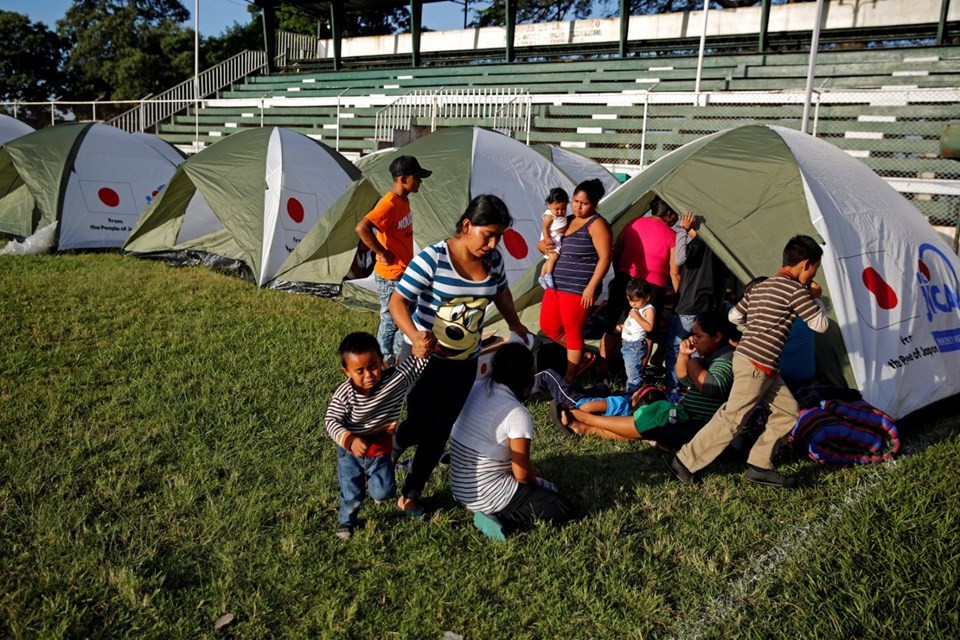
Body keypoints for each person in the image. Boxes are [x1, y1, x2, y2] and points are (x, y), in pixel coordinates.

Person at [389, 195, 530, 517]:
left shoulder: (493, 260)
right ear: (467, 225)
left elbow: (501, 291)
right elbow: (397, 302)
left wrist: (515, 324)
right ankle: (396, 442)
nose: (493, 243)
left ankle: (411, 494)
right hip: (424, 358)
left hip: (464, 363)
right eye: (488, 234)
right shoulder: (434, 258)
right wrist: (414, 336)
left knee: (440, 431)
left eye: (499, 236)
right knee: (423, 422)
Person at [664, 235, 830, 489]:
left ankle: (760, 466)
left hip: (755, 362)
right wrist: (814, 297)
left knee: (787, 412)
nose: (812, 276)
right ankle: (684, 462)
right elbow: (820, 325)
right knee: (733, 418)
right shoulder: (797, 290)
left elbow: (733, 316)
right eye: (814, 270)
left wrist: (758, 323)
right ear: (806, 264)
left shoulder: (762, 287)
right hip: (757, 364)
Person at [561, 310, 738, 450]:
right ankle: (585, 428)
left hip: (700, 427)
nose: (693, 340)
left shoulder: (725, 359)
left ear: (716, 336)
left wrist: (693, 362)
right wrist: (684, 356)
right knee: (650, 423)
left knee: (651, 420)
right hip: (689, 418)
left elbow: (711, 387)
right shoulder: (712, 357)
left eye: (699, 336)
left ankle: (585, 419)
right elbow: (685, 379)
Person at [449, 343, 574, 540]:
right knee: (560, 506)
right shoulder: (516, 413)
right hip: (487, 496)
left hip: (459, 488)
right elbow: (522, 474)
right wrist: (541, 484)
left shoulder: (475, 388)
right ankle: (503, 518)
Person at [324, 331, 433, 540]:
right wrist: (350, 440)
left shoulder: (394, 380)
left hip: (381, 449)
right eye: (359, 371)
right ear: (346, 371)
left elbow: (416, 363)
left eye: (373, 367)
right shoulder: (344, 395)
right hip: (351, 452)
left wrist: (425, 343)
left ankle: (378, 481)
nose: (368, 375)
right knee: (352, 493)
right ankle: (347, 520)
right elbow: (331, 420)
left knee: (383, 492)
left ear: (381, 361)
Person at [355, 155, 431, 366]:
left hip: (404, 271)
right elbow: (362, 228)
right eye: (417, 177)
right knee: (390, 319)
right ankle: (383, 360)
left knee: (406, 316)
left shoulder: (403, 201)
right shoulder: (388, 203)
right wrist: (381, 251)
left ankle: (399, 356)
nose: (420, 182)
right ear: (403, 178)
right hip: (391, 275)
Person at [537, 179, 612, 382]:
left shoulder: (597, 224)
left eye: (584, 203)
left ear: (594, 204)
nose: (578, 206)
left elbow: (605, 258)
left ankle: (570, 378)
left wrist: (591, 287)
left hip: (579, 288)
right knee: (549, 327)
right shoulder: (566, 220)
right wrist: (542, 246)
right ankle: (586, 356)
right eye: (575, 201)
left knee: (572, 331)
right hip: (556, 284)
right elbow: (551, 242)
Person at [601, 196, 685, 377]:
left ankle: (603, 370)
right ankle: (637, 375)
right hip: (653, 287)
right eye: (675, 215)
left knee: (612, 326)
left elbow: (617, 250)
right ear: (669, 214)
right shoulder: (672, 236)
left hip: (625, 279)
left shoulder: (634, 223)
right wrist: (680, 296)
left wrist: (619, 274)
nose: (676, 219)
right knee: (647, 333)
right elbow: (674, 271)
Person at [663, 213, 730, 397]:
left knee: (678, 347)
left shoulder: (700, 243)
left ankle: (674, 389)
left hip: (689, 304)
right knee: (700, 349)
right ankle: (694, 387)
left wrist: (682, 231)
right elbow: (725, 280)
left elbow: (679, 259)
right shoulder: (723, 248)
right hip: (709, 307)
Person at [618, 277, 655, 395]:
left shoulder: (648, 309)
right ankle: (632, 392)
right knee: (630, 370)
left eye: (636, 301)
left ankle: (634, 394)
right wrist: (624, 327)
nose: (633, 303)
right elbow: (635, 325)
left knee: (634, 373)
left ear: (647, 297)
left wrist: (636, 316)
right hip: (627, 344)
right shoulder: (636, 308)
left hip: (635, 346)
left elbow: (649, 327)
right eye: (630, 301)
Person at [537, 188, 570, 290]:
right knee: (554, 256)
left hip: (556, 238)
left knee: (548, 260)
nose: (560, 212)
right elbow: (545, 227)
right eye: (557, 209)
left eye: (563, 209)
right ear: (549, 205)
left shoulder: (564, 216)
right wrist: (547, 238)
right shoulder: (549, 215)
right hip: (551, 238)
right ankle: (548, 274)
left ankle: (542, 276)